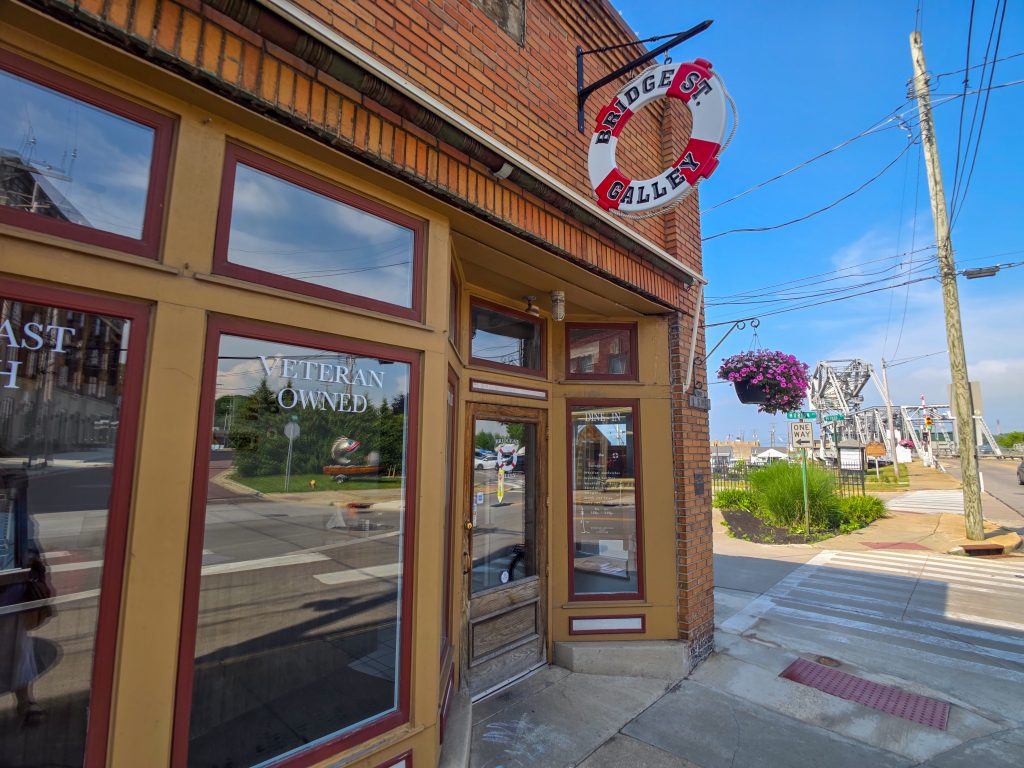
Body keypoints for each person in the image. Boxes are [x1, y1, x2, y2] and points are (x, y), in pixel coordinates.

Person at [0, 468, 46, 727]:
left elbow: (29, 545)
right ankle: (26, 701)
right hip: (10, 587)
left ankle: (26, 700)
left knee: (17, 647)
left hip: (9, 590)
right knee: (17, 647)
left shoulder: (16, 514)